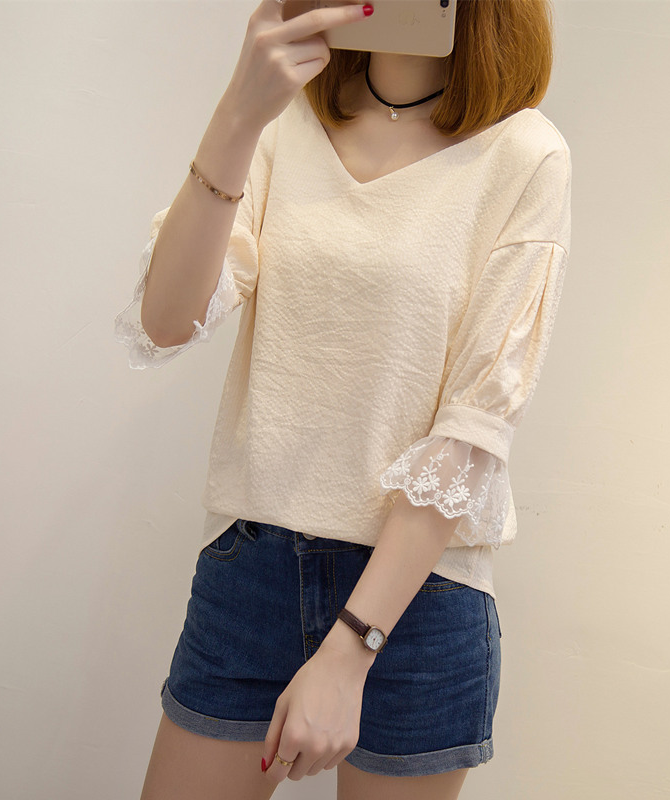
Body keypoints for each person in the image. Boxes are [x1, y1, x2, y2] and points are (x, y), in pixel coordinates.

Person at [114, 1, 570, 798]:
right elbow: (167, 320)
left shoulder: (525, 155)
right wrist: (239, 112)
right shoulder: (286, 125)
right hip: (251, 573)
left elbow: (473, 430)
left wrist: (352, 646)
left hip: (418, 600)